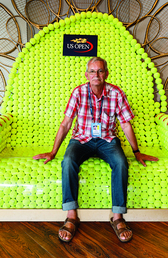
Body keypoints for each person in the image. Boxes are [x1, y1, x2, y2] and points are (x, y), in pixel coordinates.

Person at [33, 57, 158, 243]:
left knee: (121, 163)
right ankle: (71, 216)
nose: (96, 75)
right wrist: (53, 152)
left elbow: (125, 125)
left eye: (100, 71)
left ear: (106, 73)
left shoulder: (116, 93)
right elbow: (66, 124)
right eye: (92, 71)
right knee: (67, 161)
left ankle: (117, 217)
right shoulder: (78, 93)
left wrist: (136, 151)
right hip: (81, 140)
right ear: (86, 75)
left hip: (107, 140)